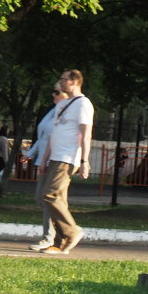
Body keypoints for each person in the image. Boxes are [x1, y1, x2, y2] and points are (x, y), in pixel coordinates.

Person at [37, 69, 93, 254]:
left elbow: (86, 135)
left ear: (74, 81)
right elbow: (55, 135)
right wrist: (44, 159)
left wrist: (85, 160)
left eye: (63, 79)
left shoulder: (83, 104)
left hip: (67, 158)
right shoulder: (63, 104)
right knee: (59, 200)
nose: (60, 82)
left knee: (50, 195)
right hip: (55, 157)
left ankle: (72, 231)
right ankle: (61, 244)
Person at [25, 86, 68, 251]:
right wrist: (31, 153)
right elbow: (43, 137)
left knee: (49, 200)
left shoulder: (66, 112)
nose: (53, 94)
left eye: (57, 92)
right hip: (44, 160)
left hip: (57, 161)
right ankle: (66, 230)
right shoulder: (53, 111)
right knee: (41, 199)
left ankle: (49, 238)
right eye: (54, 91)